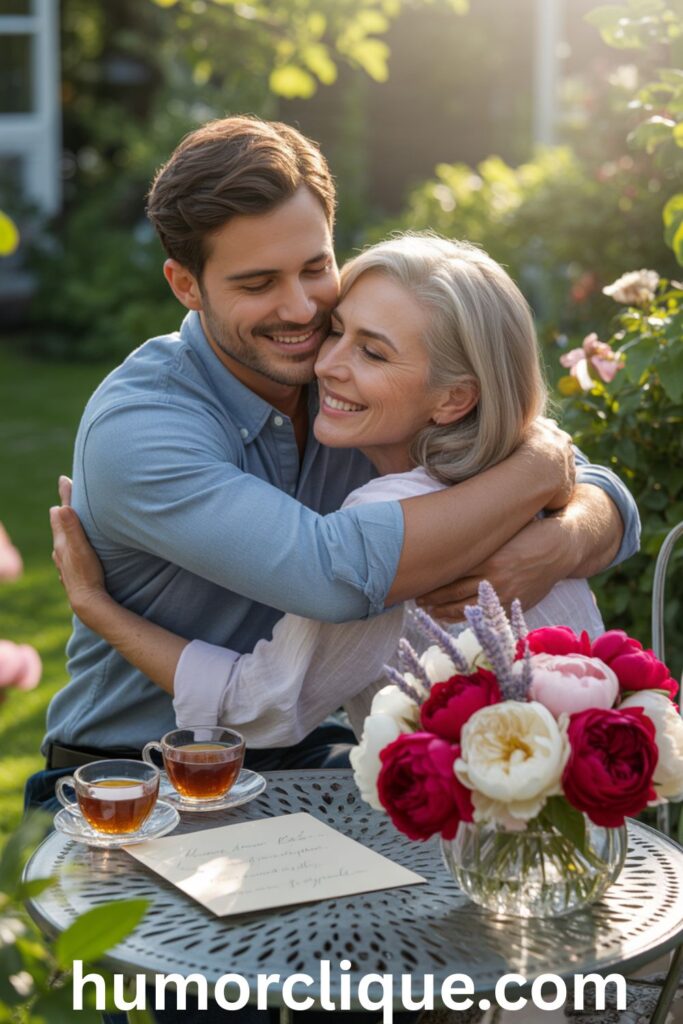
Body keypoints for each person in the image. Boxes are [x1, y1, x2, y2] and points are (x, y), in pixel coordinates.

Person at [30, 115, 638, 814]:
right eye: (258, 283)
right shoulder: (141, 429)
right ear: (185, 285)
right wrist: (538, 468)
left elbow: (602, 497)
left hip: (307, 759)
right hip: (131, 775)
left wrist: (555, 540)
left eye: (315, 268)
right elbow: (330, 576)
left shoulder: (346, 375)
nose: (301, 310)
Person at [53, 234, 612, 750]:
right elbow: (569, 468)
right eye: (338, 330)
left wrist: (98, 608)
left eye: (372, 352)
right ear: (185, 284)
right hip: (128, 761)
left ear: (453, 400)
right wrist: (545, 470)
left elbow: (260, 706)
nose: (325, 362)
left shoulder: (396, 506)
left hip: (472, 825)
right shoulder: (516, 473)